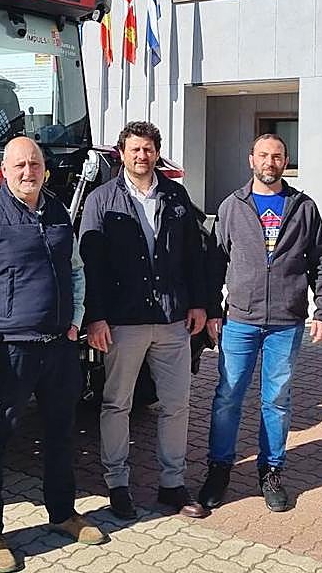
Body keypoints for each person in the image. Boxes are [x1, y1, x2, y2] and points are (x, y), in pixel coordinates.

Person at [0, 136, 106, 573]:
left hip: (57, 349)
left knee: (61, 435)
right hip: (9, 351)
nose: (28, 171)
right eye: (19, 164)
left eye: (34, 164)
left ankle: (62, 514)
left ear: (45, 169)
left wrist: (75, 319)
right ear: (3, 170)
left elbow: (76, 269)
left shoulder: (58, 212)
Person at [197, 133, 322, 514]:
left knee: (276, 400)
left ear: (285, 162)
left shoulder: (302, 207)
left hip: (286, 322)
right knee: (228, 397)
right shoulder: (233, 206)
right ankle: (219, 468)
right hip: (240, 319)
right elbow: (214, 262)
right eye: (263, 155)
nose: (269, 162)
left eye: (277, 156)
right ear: (250, 160)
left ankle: (271, 471)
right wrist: (212, 309)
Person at [80, 121, 210, 520]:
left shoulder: (175, 196)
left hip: (172, 320)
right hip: (123, 321)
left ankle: (173, 483)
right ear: (121, 153)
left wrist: (200, 303)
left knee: (176, 404)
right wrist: (95, 317)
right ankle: (117, 484)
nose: (142, 156)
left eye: (148, 149)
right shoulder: (101, 200)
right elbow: (89, 264)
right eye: (134, 149)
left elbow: (195, 256)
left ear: (157, 152)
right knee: (116, 404)